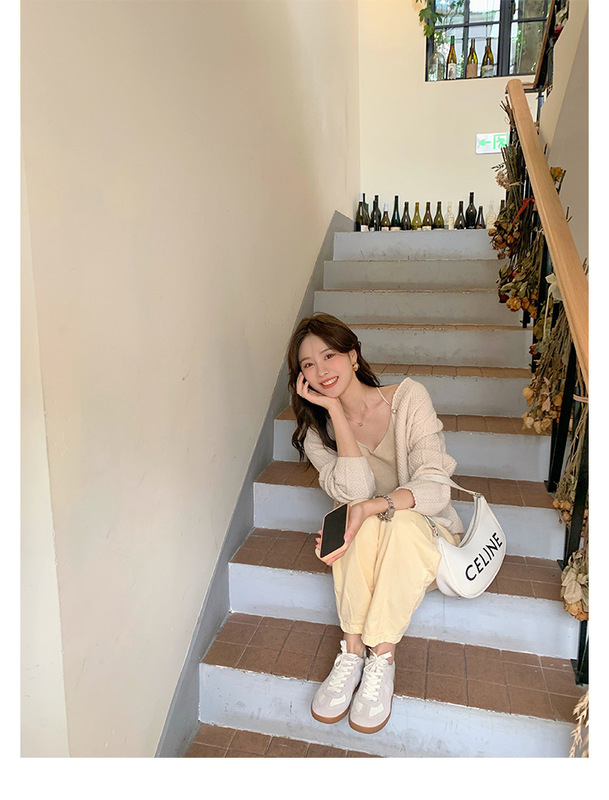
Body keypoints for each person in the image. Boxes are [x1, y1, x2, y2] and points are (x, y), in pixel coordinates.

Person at [287, 313, 463, 734]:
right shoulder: (317, 433)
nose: (321, 370)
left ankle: (381, 656)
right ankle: (351, 653)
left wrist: (374, 507)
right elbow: (355, 491)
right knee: (356, 518)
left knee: (394, 522)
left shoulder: (408, 398)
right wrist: (334, 411)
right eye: (308, 364)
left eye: (329, 356)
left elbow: (436, 488)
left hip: (424, 534)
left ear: (353, 355)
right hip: (368, 540)